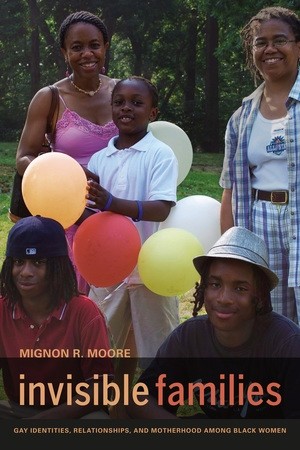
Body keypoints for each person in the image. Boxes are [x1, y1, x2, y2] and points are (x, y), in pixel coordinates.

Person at [126, 226, 300, 419]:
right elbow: (141, 400)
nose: (224, 298)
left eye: (240, 288)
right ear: (203, 289)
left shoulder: (287, 344)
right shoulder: (190, 338)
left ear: (259, 296)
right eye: (215, 285)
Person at [85, 76, 180, 416]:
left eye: (137, 103)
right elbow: (91, 211)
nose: (127, 108)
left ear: (152, 111)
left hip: (152, 268)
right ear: (111, 108)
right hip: (107, 268)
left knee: (159, 348)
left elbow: (161, 206)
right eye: (120, 101)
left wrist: (112, 202)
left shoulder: (159, 154)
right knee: (101, 344)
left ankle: (161, 410)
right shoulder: (100, 159)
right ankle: (111, 407)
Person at [15, 11, 119, 295]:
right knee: (68, 307)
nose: (87, 53)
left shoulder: (122, 93)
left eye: (94, 45)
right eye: (77, 47)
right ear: (64, 52)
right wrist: (63, 176)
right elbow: (24, 158)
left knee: (116, 310)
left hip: (118, 215)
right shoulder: (49, 97)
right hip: (68, 218)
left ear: (105, 47)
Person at [219, 6, 300, 325]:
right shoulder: (241, 118)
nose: (270, 48)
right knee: (272, 323)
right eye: (260, 42)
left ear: (297, 45)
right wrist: (230, 254)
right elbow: (231, 192)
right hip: (260, 226)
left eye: (279, 39)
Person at [0, 215, 114, 419]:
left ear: (58, 268)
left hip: (74, 413)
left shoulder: (84, 312)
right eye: (18, 261)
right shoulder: (3, 309)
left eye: (38, 262)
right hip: (19, 410)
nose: (25, 272)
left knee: (98, 422)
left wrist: (41, 423)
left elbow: (100, 389)